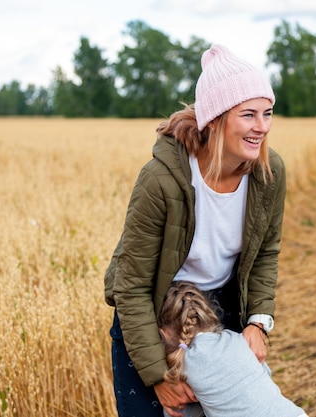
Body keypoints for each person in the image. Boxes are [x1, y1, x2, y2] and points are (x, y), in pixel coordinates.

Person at [104, 43, 287, 417]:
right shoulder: (160, 181)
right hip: (151, 319)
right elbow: (132, 286)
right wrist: (157, 375)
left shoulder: (269, 173)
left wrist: (257, 322)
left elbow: (266, 252)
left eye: (267, 113)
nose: (261, 127)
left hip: (219, 314)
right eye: (248, 114)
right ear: (215, 119)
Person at [157, 280, 307, 417]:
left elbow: (181, 411)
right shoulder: (235, 337)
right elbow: (265, 372)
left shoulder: (182, 364)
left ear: (163, 332)